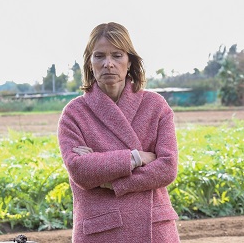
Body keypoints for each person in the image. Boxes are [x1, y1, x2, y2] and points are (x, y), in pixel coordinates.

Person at [57, 22, 180, 242]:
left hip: (154, 228)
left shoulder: (156, 106)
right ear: (89, 61)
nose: (108, 64)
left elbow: (167, 168)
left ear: (129, 60)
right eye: (99, 56)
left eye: (117, 55)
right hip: (100, 230)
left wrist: (111, 180)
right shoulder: (74, 113)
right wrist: (136, 158)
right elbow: (80, 171)